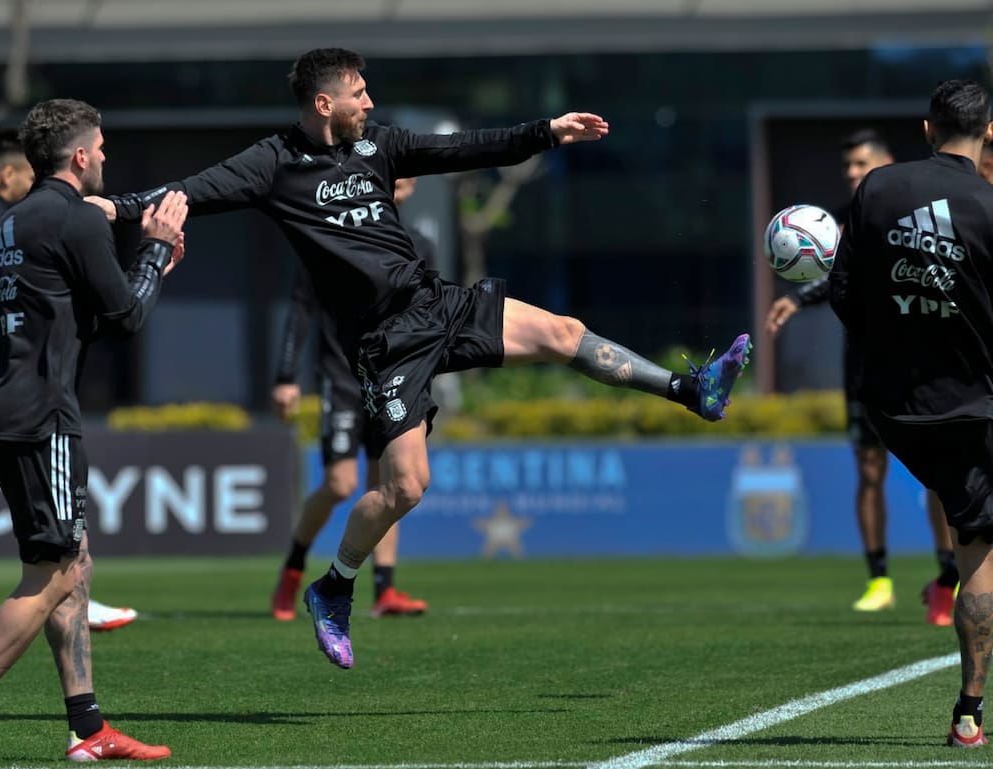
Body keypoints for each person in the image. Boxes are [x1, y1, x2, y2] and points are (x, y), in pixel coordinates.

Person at [89, 47, 752, 670]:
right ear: (324, 104)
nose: (369, 102)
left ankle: (692, 391)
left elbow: (463, 148)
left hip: (435, 303)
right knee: (406, 487)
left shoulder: (381, 146)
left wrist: (546, 132)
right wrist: (111, 208)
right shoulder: (272, 163)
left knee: (562, 331)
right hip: (385, 346)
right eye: (358, 92)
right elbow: (185, 194)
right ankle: (335, 587)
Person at [0, 99, 186, 765]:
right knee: (57, 570)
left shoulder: (11, 223)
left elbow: (64, 317)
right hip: (41, 417)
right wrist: (154, 253)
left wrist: (142, 268)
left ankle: (87, 728)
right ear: (82, 156)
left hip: (3, 406)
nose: (106, 159)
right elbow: (124, 318)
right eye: (103, 148)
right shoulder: (72, 218)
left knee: (73, 561)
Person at [0, 129, 139, 639]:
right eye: (23, 175)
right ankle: (70, 586)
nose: (29, 185)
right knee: (54, 514)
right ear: (5, 173)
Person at [830, 78, 993, 748]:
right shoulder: (989, 205)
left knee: (952, 505)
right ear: (986, 135)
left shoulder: (878, 189)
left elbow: (843, 292)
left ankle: (929, 568)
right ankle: (969, 712)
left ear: (926, 129)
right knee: (979, 548)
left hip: (893, 406)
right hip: (972, 406)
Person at [765, 128, 958, 625]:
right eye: (847, 166)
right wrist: (798, 295)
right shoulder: (835, 222)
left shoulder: (910, 213)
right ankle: (879, 580)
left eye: (860, 164)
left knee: (938, 476)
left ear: (886, 162)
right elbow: (838, 273)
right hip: (864, 367)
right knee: (869, 472)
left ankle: (948, 579)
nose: (852, 173)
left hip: (917, 362)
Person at [270, 177, 432, 621]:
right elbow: (301, 309)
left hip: (392, 379)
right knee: (340, 483)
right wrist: (286, 376)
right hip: (341, 378)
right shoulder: (329, 234)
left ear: (410, 186)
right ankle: (292, 569)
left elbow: (429, 315)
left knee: (391, 482)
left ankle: (385, 589)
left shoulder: (418, 244)